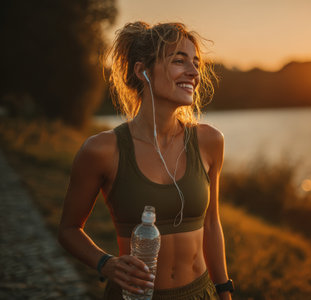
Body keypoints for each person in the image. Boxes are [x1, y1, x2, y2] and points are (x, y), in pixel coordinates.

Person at [58, 21, 233, 300]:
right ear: (142, 71)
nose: (194, 72)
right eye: (179, 60)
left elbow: (211, 225)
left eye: (196, 63)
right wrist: (105, 263)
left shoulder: (210, 142)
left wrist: (224, 291)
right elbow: (68, 229)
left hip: (200, 293)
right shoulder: (102, 150)